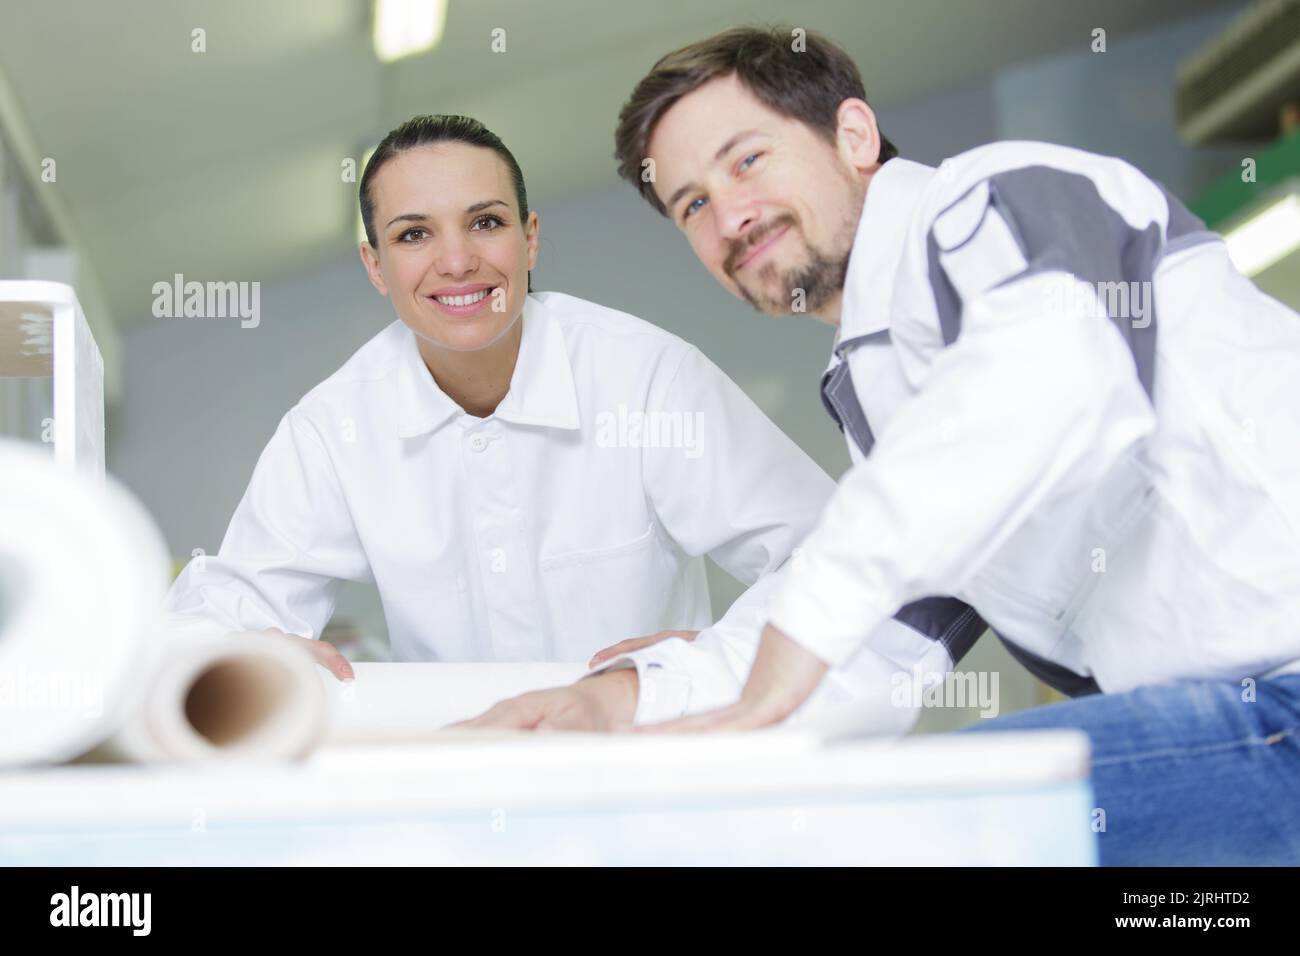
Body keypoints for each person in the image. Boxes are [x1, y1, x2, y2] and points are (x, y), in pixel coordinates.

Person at [462, 27, 1300, 866]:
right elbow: (883, 638)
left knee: (880, 828)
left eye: (747, 160)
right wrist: (625, 703)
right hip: (1238, 734)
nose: (730, 216)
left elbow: (1049, 378)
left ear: (854, 136)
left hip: (1276, 707)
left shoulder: (1000, 198)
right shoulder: (883, 387)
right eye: (691, 204)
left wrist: (804, 634)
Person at [162, 112, 966, 727]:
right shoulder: (332, 430)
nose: (457, 261)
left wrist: (711, 661)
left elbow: (827, 558)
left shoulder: (644, 377)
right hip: (471, 784)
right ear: (375, 265)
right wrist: (238, 652)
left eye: (485, 222)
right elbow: (210, 616)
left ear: (530, 238)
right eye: (413, 235)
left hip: (650, 767)